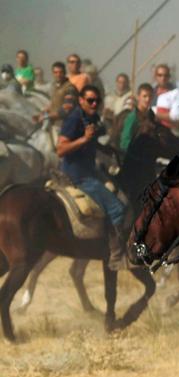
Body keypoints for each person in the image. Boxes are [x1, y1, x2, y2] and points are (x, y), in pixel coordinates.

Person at [57, 85, 127, 270]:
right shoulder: (73, 119)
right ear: (81, 100)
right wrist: (84, 139)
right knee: (116, 208)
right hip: (77, 175)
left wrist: (111, 151)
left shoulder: (92, 117)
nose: (94, 103)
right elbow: (61, 149)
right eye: (90, 100)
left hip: (90, 170)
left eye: (97, 100)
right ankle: (115, 256)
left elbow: (93, 143)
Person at [116, 83, 157, 153]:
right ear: (138, 97)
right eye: (144, 96)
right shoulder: (133, 117)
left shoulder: (151, 114)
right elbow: (124, 143)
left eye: (150, 96)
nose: (147, 99)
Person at [39, 61, 78, 126]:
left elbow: (66, 110)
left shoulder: (69, 88)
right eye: (55, 72)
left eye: (60, 72)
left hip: (66, 124)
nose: (58, 75)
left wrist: (47, 116)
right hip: (54, 123)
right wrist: (43, 112)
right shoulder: (54, 86)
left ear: (65, 73)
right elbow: (53, 104)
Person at [152, 64, 179, 131]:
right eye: (160, 75)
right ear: (155, 77)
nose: (163, 78)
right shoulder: (150, 92)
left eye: (165, 75)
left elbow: (175, 116)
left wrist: (154, 115)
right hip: (152, 129)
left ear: (169, 77)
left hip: (169, 130)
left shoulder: (176, 93)